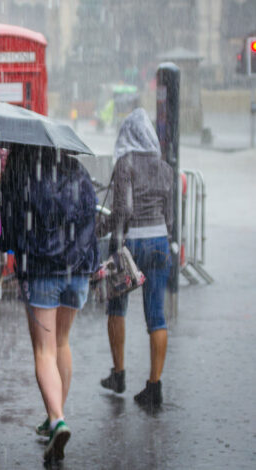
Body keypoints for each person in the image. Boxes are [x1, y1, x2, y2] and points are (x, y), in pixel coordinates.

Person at [0, 144, 98, 463]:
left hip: (42, 270)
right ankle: (56, 415)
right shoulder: (77, 171)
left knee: (44, 349)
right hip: (77, 269)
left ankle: (56, 419)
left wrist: (7, 243)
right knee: (63, 343)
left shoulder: (21, 172)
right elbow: (90, 217)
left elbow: (8, 227)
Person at [100, 108, 173, 408]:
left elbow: (123, 211)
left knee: (117, 307)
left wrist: (100, 228)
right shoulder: (164, 167)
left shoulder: (124, 164)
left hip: (130, 245)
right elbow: (169, 215)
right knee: (156, 316)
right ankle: (154, 386)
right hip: (159, 243)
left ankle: (118, 374)